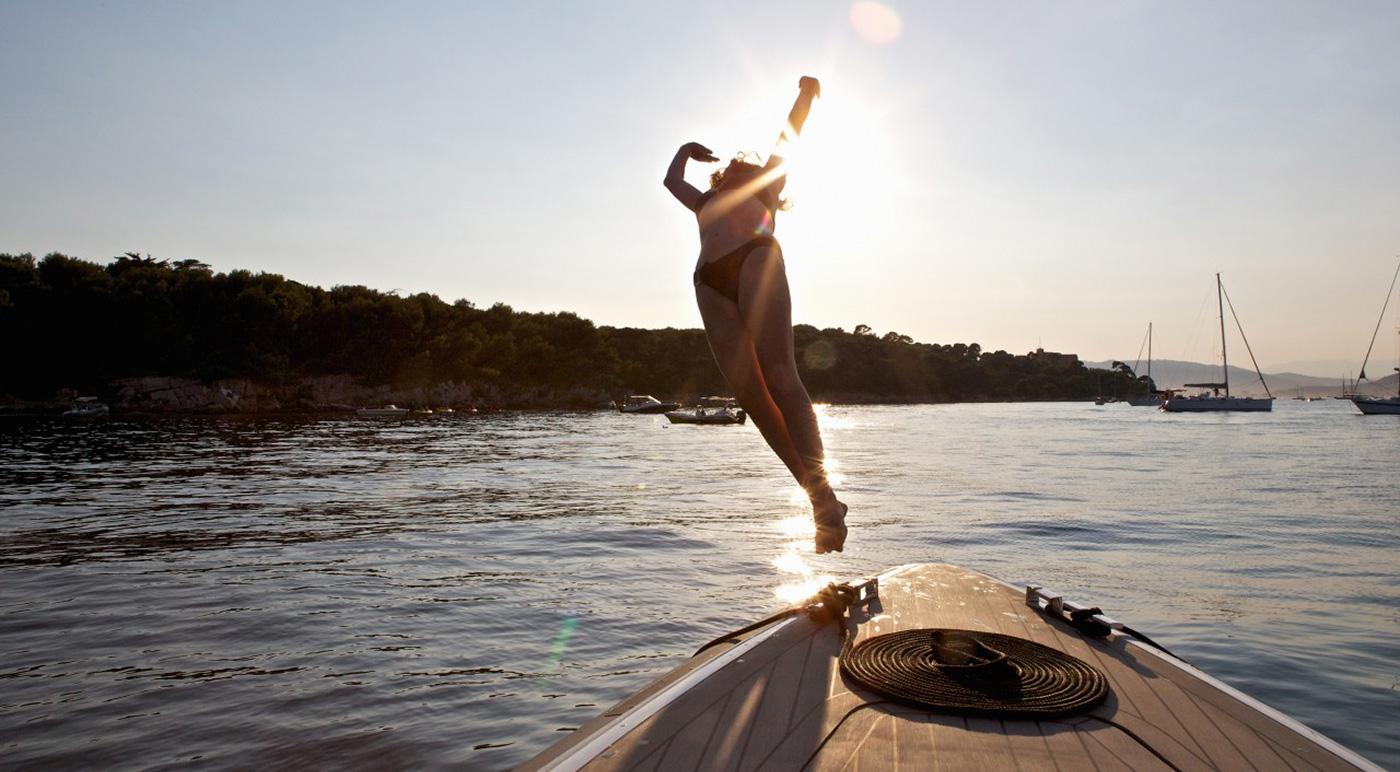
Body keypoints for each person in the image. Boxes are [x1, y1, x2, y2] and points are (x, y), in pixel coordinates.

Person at [663, 76, 848, 553]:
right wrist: (685, 148)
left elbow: (790, 134)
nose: (740, 165)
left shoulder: (767, 187)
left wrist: (806, 95)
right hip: (709, 280)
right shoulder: (704, 201)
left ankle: (824, 497)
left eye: (747, 164)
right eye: (733, 165)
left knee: (780, 374)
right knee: (750, 394)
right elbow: (670, 180)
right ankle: (818, 498)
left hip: (755, 256)